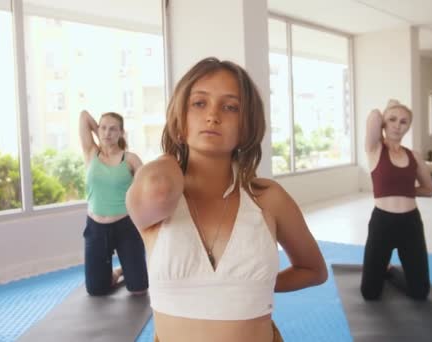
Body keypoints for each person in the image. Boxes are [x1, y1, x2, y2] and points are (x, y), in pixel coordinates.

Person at [126, 57, 328, 342]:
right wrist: (173, 150)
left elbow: (314, 270)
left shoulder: (268, 199)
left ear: (246, 127)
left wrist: (256, 286)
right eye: (199, 103)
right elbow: (157, 187)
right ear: (179, 118)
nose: (213, 116)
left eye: (230, 107)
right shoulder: (160, 200)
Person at [361, 99, 432, 301]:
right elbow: (374, 115)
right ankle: (382, 270)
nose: (397, 125)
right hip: (382, 223)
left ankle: (390, 270)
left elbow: (429, 190)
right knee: (370, 294)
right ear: (383, 123)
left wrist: (406, 190)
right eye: (392, 119)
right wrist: (389, 107)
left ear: (408, 127)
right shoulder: (374, 149)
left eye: (404, 122)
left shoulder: (414, 156)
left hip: (411, 224)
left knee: (420, 293)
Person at [79, 110, 148, 296]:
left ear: (121, 133)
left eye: (113, 129)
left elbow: (145, 191)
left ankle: (123, 268)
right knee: (96, 290)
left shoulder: (131, 159)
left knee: (139, 289)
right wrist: (100, 134)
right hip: (95, 228)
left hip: (125, 226)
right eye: (103, 128)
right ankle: (117, 271)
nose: (107, 133)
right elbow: (84, 116)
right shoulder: (91, 152)